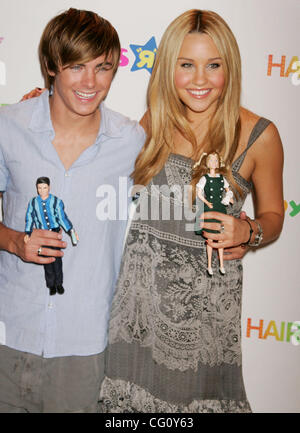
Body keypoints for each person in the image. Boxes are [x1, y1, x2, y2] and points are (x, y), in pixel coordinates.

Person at [99, 9, 284, 413]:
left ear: (229, 68)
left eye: (213, 65)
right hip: (137, 313)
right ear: (168, 67)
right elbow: (95, 152)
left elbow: (274, 217)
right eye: (187, 65)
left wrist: (247, 231)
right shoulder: (154, 124)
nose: (200, 80)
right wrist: (48, 110)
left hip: (205, 316)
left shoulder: (259, 135)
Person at [0, 8, 145, 413]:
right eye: (76, 67)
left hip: (85, 349)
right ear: (51, 65)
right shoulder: (7, 126)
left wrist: (247, 230)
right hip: (8, 336)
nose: (91, 83)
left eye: (103, 68)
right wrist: (14, 241)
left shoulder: (132, 141)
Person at [25, 176, 78, 296]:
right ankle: (51, 285)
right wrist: (28, 232)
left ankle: (59, 283)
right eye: (39, 188)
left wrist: (71, 231)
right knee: (47, 262)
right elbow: (30, 217)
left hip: (54, 233)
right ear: (37, 188)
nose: (42, 190)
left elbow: (62, 217)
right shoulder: (33, 202)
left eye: (44, 187)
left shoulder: (56, 201)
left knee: (57, 260)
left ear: (49, 187)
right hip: (42, 235)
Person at [194, 151, 234, 276]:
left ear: (218, 163)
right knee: (210, 237)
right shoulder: (204, 178)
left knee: (220, 237)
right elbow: (199, 193)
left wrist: (229, 197)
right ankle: (209, 265)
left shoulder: (222, 178)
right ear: (207, 163)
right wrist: (207, 202)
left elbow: (228, 190)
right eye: (211, 160)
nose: (213, 162)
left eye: (215, 160)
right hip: (210, 208)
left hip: (220, 208)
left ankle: (221, 264)